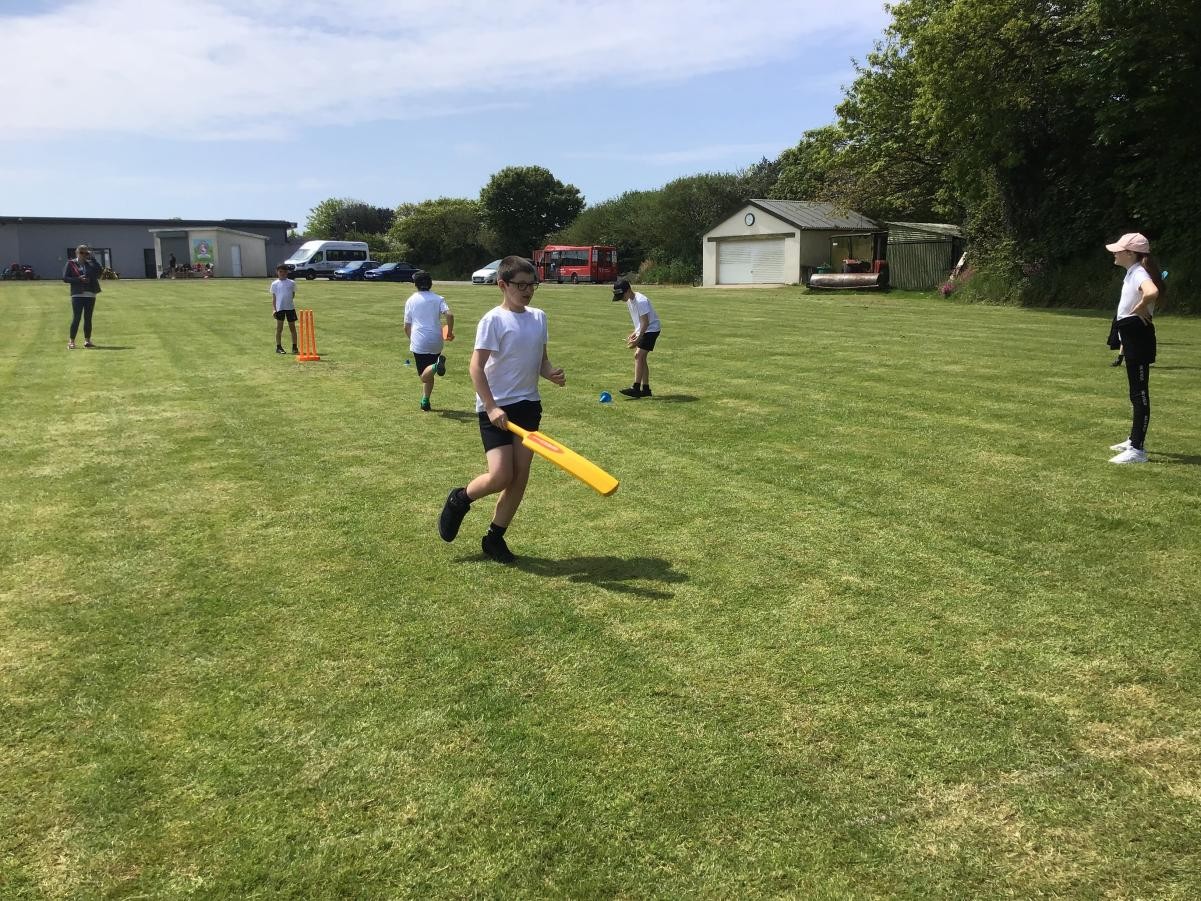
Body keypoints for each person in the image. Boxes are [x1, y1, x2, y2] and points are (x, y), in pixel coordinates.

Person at [438, 256, 566, 563]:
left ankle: (494, 539)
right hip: (496, 408)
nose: (528, 291)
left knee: (519, 478)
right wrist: (492, 407)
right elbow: (475, 367)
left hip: (528, 406)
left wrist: (549, 372)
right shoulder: (493, 320)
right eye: (520, 285)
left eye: (532, 284)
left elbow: (541, 359)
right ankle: (460, 499)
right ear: (502, 285)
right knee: (500, 475)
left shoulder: (538, 317)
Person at [1104, 232, 1162, 464]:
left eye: (1119, 250)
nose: (1115, 253)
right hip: (1131, 334)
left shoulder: (1139, 272)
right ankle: (1133, 440)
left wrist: (1139, 307)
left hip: (1138, 335)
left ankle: (1137, 450)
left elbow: (1152, 292)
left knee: (1140, 394)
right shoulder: (1133, 272)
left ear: (1130, 253)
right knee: (1135, 392)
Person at [403, 270, 454, 411]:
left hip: (419, 340)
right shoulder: (438, 298)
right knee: (429, 373)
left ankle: (436, 366)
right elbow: (449, 315)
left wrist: (412, 339)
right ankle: (425, 401)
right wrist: (449, 332)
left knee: (423, 377)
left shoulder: (411, 300)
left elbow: (406, 326)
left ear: (416, 284)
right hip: (436, 340)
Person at [612, 278, 662, 398]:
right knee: (641, 358)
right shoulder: (630, 300)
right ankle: (646, 389)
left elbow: (645, 322)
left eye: (622, 296)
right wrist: (635, 332)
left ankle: (636, 387)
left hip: (652, 329)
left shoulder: (641, 301)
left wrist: (638, 339)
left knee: (638, 355)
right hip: (645, 329)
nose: (621, 299)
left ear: (628, 290)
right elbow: (639, 321)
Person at [62, 244, 102, 349]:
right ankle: (71, 341)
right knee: (76, 317)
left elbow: (99, 271)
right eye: (81, 252)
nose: (83, 255)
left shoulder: (90, 264)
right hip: (77, 294)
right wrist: (79, 279)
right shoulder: (71, 263)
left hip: (90, 294)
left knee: (88, 318)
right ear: (77, 253)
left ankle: (87, 341)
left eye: (86, 253)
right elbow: (65, 278)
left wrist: (93, 258)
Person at [269, 263, 299, 355]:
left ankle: (294, 347)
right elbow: (274, 298)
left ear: (287, 272)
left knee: (292, 328)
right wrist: (274, 309)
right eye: (280, 272)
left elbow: (292, 295)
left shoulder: (291, 283)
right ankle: (278, 347)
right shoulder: (274, 284)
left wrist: (288, 302)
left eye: (284, 272)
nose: (282, 273)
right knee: (279, 328)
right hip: (280, 308)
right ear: (277, 272)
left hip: (290, 308)